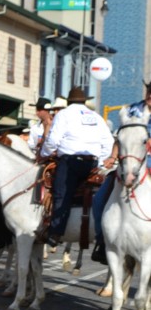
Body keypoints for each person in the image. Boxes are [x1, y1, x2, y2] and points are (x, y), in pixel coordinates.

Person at [40, 86, 114, 248]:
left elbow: (53, 140)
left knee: (62, 193)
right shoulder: (95, 116)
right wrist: (100, 161)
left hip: (70, 162)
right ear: (84, 101)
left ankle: (56, 231)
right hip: (92, 163)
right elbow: (108, 141)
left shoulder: (64, 114)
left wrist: (45, 153)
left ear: (68, 101)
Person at [91, 82, 151, 263]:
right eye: (149, 90)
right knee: (99, 198)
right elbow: (120, 137)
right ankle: (103, 241)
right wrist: (112, 156)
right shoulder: (132, 110)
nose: (150, 95)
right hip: (127, 165)